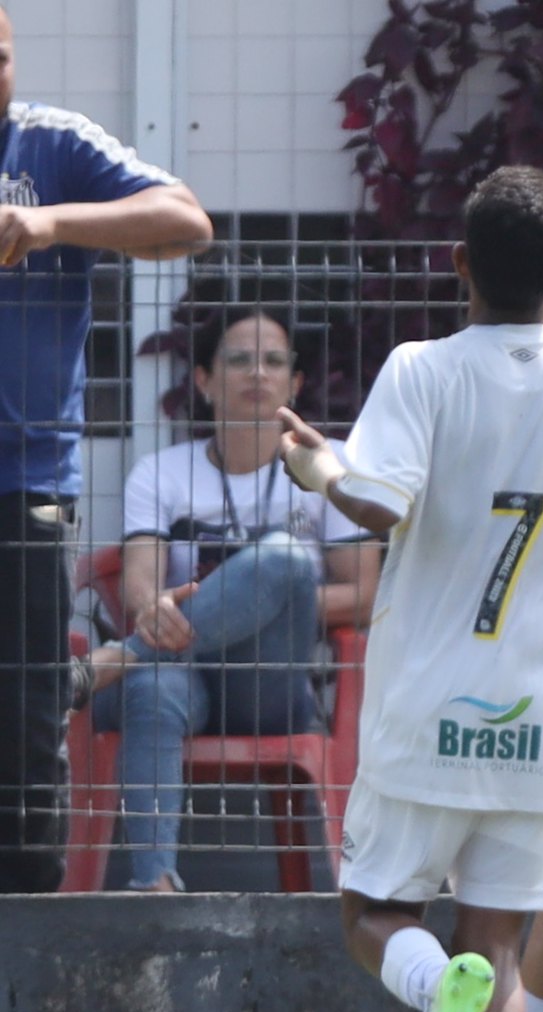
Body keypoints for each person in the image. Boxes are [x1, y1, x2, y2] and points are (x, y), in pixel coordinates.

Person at [280, 166, 543, 1012]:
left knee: (373, 914)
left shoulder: (422, 369)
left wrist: (320, 470)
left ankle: (430, 987)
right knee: (498, 948)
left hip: (429, 704)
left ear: (458, 262)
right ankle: (467, 1003)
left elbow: (375, 505)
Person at [0, 4, 213, 892]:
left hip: (26, 485)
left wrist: (50, 226)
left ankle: (25, 966)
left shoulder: (47, 147)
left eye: (1, 58)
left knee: (23, 732)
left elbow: (185, 220)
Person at [83, 306, 381, 892]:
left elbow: (366, 594)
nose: (257, 374)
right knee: (153, 685)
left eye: (274, 362)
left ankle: (122, 658)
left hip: (268, 681)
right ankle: (155, 890)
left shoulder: (330, 466)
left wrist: (271, 594)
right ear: (204, 380)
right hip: (181, 673)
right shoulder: (161, 472)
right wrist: (155, 610)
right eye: (239, 360)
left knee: (287, 559)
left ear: (295, 383)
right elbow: (141, 584)